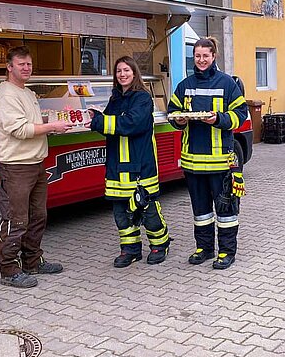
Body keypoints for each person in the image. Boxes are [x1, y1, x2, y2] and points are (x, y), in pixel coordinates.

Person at [0, 46, 71, 288]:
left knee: (38, 216)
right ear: (9, 66)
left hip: (35, 162)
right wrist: (52, 127)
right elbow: (20, 130)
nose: (26, 68)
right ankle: (9, 270)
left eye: (29, 64)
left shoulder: (26, 92)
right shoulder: (6, 95)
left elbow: (32, 124)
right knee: (16, 219)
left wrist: (57, 121)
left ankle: (32, 261)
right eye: (21, 64)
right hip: (15, 166)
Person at [168, 37, 247, 270]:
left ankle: (226, 251)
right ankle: (204, 248)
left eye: (205, 55)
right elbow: (173, 112)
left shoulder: (227, 84)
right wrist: (179, 120)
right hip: (193, 162)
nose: (201, 60)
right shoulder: (185, 84)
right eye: (198, 56)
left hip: (221, 162)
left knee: (225, 211)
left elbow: (240, 116)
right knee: (200, 211)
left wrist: (218, 119)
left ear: (214, 57)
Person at [88, 56, 170, 267]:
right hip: (117, 166)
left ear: (134, 73)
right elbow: (109, 123)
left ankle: (160, 244)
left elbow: (130, 124)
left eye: (126, 70)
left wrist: (99, 121)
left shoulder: (142, 98)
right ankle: (130, 250)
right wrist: (93, 117)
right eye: (118, 71)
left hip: (140, 165)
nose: (122, 74)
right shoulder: (115, 98)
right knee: (120, 213)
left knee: (147, 208)